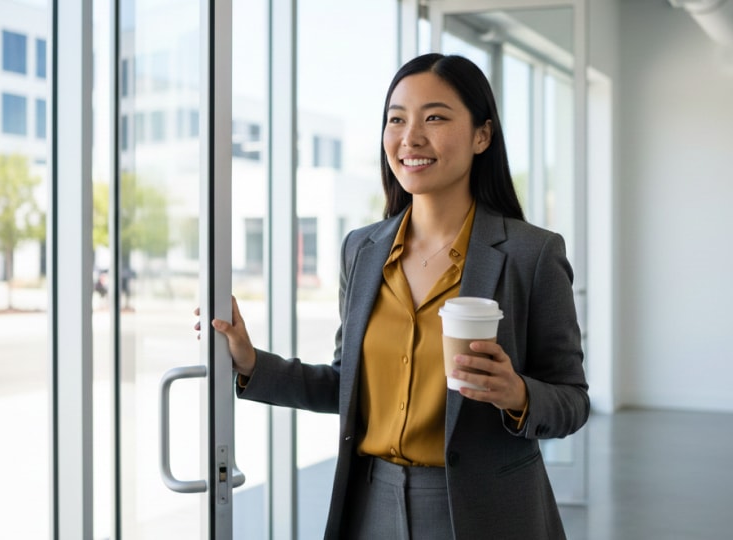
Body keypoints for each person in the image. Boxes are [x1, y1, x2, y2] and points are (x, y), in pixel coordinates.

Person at [200, 53, 589, 539]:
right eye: (396, 119)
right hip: (370, 506)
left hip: (482, 513)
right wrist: (252, 362)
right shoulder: (362, 250)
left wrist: (518, 394)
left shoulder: (532, 254)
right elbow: (346, 385)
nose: (411, 137)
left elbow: (573, 399)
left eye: (435, 117)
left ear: (482, 135)